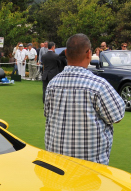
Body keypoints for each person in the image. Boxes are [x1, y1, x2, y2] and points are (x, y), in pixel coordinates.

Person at [44, 34, 125, 165]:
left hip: (57, 166)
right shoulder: (98, 85)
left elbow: (47, 115)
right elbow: (117, 116)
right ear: (89, 53)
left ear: (65, 53)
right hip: (90, 168)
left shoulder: (52, 84)